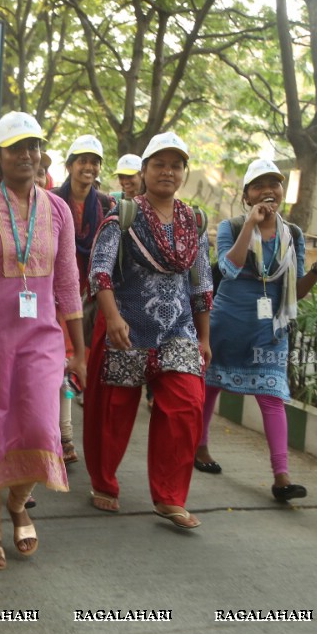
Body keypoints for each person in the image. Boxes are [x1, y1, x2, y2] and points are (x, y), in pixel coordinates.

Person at [0, 112, 85, 572]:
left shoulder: (58, 209)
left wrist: (79, 350)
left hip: (42, 340)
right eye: (17, 147)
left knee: (42, 428)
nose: (28, 155)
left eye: (35, 146)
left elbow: (67, 283)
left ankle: (19, 502)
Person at [84, 132, 211, 529]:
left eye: (175, 165)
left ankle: (170, 497)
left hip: (179, 329)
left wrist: (205, 338)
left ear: (184, 173)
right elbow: (99, 272)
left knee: (186, 405)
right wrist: (114, 318)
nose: (167, 172)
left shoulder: (194, 220)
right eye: (159, 164)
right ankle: (104, 481)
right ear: (144, 170)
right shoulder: (124, 215)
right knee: (113, 413)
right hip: (128, 328)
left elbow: (202, 283)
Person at [197, 159, 317, 501]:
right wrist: (251, 226)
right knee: (210, 387)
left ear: (282, 192)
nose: (267, 190)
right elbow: (228, 268)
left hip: (270, 330)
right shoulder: (232, 226)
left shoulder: (295, 236)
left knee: (272, 396)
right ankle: (198, 448)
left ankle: (281, 476)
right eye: (258, 185)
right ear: (247, 196)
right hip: (226, 325)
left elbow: (298, 291)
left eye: (273, 184)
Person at [54, 134, 113, 465]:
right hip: (54, 294)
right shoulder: (51, 201)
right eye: (82, 161)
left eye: (94, 162)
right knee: (61, 361)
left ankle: (65, 434)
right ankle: (64, 435)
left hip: (90, 296)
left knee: (80, 361)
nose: (88, 167)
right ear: (70, 166)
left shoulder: (106, 206)